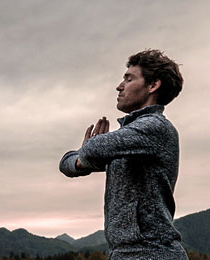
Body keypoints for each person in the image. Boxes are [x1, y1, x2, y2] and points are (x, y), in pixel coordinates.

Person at [59, 49, 187, 259]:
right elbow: (66, 164)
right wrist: (86, 158)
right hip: (126, 253)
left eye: (129, 79)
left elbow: (92, 149)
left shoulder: (154, 127)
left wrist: (87, 154)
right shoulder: (129, 140)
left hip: (150, 253)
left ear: (153, 85)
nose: (119, 86)